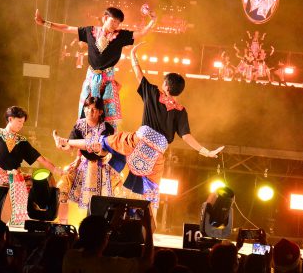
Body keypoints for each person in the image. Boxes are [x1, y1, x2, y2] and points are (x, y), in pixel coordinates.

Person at [54, 43, 224, 211]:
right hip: (156, 155)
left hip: (137, 141)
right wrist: (205, 151)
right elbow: (186, 136)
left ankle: (66, 142)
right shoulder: (181, 111)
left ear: (165, 86)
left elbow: (138, 75)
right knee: (151, 193)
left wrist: (133, 56)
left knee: (101, 141)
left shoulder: (154, 92)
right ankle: (146, 223)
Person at [35, 6, 157, 127]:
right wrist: (45, 23)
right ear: (105, 18)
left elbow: (142, 33)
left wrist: (153, 20)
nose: (115, 25)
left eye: (118, 23)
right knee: (86, 109)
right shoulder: (90, 31)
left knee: (107, 114)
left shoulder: (121, 35)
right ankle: (83, 134)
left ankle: (106, 136)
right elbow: (67, 28)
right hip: (91, 77)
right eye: (113, 21)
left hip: (107, 80)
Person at [0, 106, 63, 226]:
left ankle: (38, 213)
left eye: (23, 122)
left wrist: (54, 169)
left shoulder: (22, 141)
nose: (21, 125)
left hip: (16, 179)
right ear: (10, 119)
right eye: (19, 121)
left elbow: (40, 158)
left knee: (39, 183)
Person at [56, 96, 121, 224]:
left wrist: (68, 143)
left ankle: (107, 227)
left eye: (93, 109)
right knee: (62, 186)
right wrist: (62, 145)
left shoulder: (106, 128)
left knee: (115, 194)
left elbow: (107, 149)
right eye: (87, 108)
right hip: (83, 165)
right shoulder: (79, 125)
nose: (89, 112)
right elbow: (70, 146)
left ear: (100, 112)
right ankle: (63, 225)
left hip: (103, 166)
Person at [62, 205, 154, 273]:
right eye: (107, 235)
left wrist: (110, 227)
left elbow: (84, 242)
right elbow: (146, 263)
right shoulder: (111, 266)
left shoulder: (70, 257)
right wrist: (148, 227)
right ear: (104, 241)